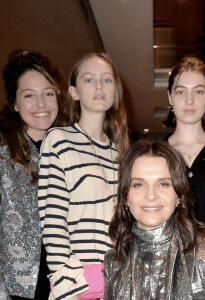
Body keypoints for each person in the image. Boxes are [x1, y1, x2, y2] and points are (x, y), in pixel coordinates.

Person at [38, 52, 130, 300]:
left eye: (107, 80)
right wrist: (69, 286)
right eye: (89, 80)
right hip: (80, 284)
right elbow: (52, 220)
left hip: (119, 278)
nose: (99, 86)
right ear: (74, 92)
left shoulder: (121, 152)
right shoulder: (58, 140)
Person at [104, 140, 205, 299]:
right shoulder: (114, 262)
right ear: (125, 196)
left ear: (178, 194)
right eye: (138, 184)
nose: (150, 195)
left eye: (163, 184)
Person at [0, 50, 68, 299]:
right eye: (29, 95)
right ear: (15, 103)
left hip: (66, 284)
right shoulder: (3, 150)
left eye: (48, 93)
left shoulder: (68, 148)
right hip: (17, 288)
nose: (41, 104)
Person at [166, 56, 205, 237]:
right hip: (167, 262)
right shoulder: (155, 156)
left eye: (198, 92)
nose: (190, 100)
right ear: (169, 96)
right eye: (181, 92)